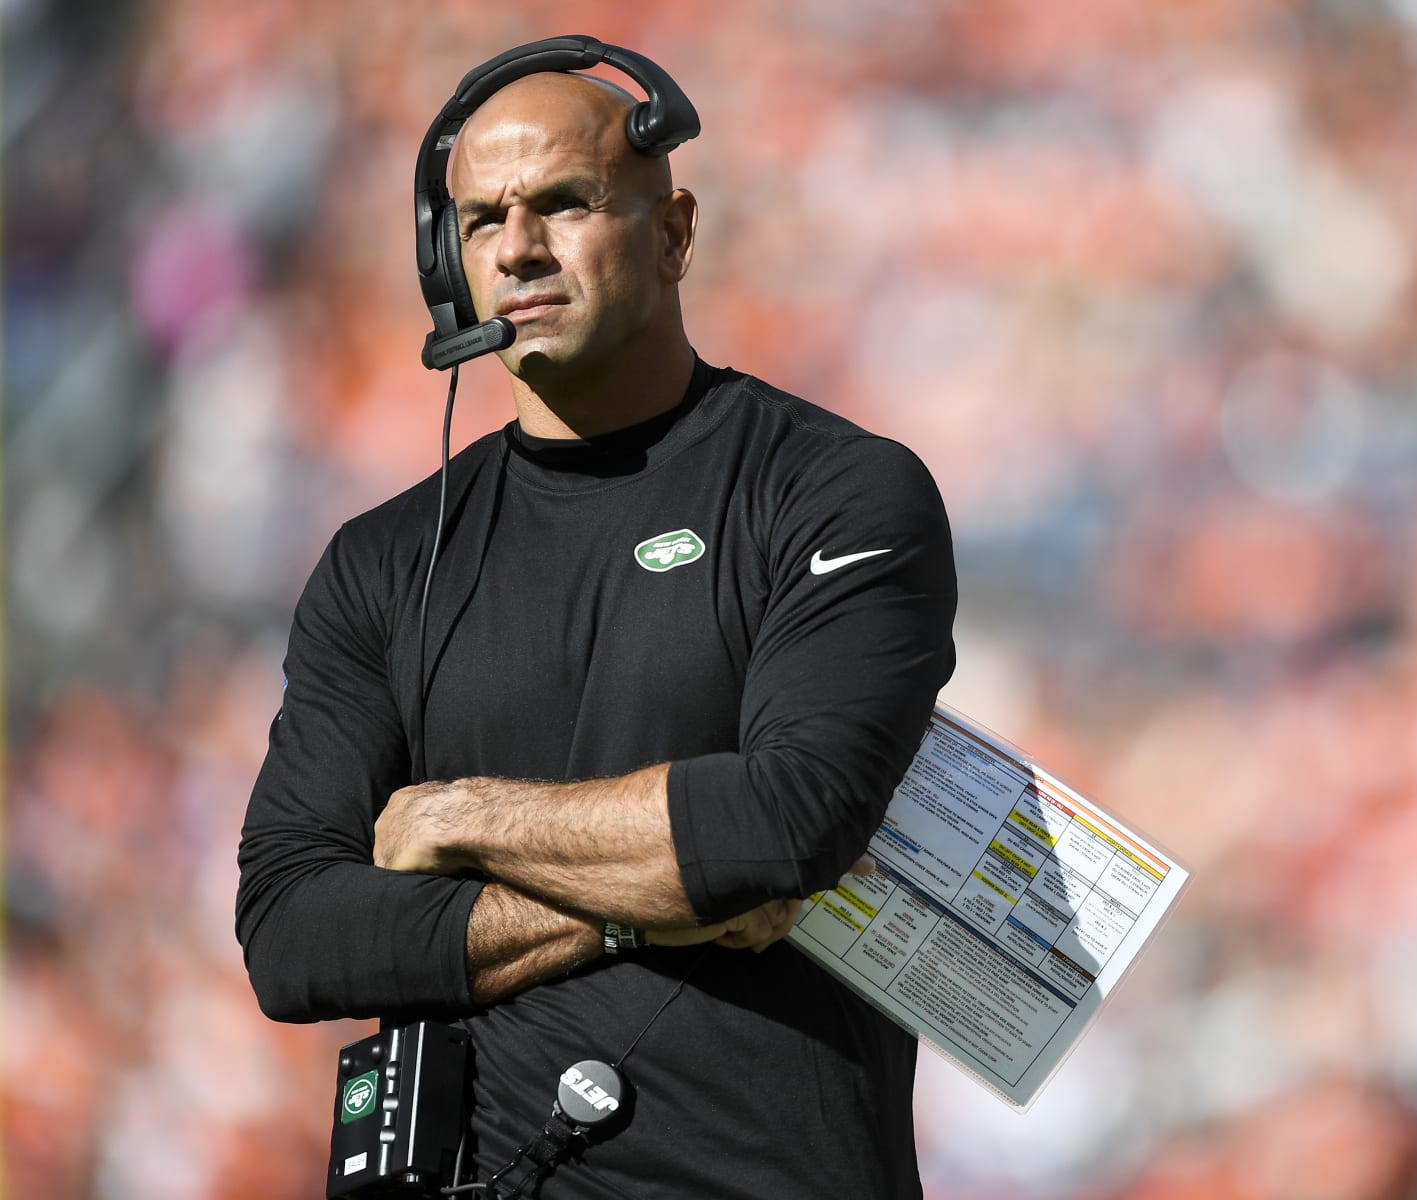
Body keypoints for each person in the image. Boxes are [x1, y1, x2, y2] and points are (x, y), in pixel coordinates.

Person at [234, 60, 957, 1200]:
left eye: (563, 203)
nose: (518, 249)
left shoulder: (839, 490)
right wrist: (645, 911)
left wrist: (456, 813)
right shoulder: (379, 559)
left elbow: (786, 821)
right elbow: (291, 930)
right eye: (480, 220)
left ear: (674, 232)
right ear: (447, 263)